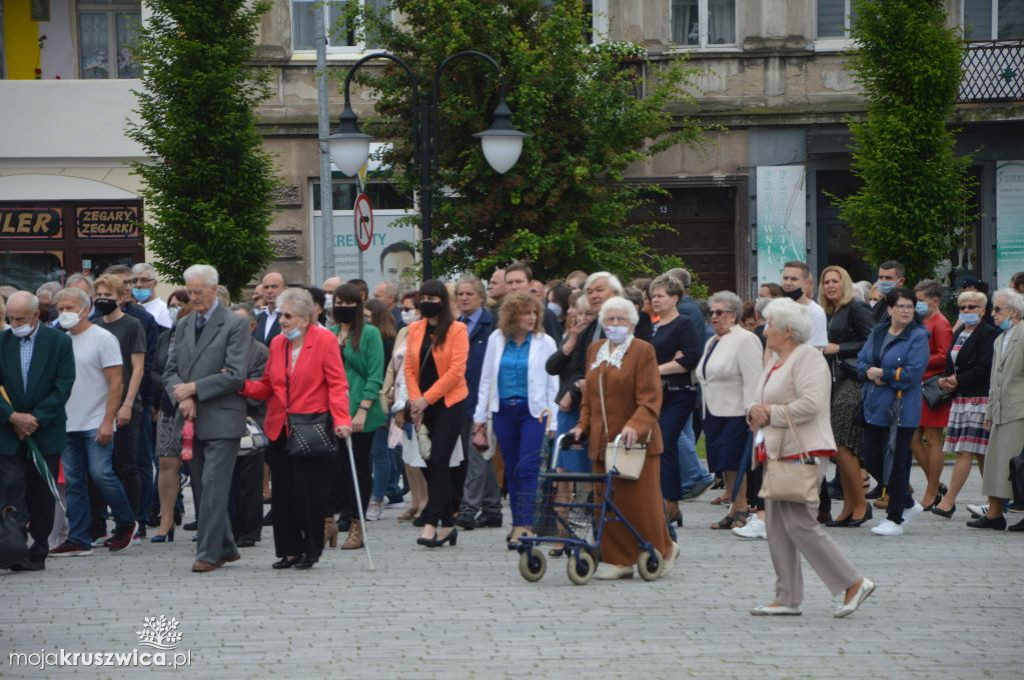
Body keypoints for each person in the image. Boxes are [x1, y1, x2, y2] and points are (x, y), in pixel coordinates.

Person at [746, 298, 875, 618]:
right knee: (776, 525)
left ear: (788, 331)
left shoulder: (808, 358)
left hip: (803, 450)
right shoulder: (777, 359)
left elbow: (812, 404)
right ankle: (787, 596)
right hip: (777, 450)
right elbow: (763, 399)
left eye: (769, 325)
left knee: (800, 523)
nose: (764, 330)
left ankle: (853, 582)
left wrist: (769, 412)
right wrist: (754, 410)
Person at [241, 288, 353, 568]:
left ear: (305, 318)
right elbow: (268, 384)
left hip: (313, 427)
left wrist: (342, 420)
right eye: (280, 315)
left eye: (288, 316)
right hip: (280, 428)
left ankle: (311, 550)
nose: (282, 320)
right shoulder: (278, 343)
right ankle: (289, 550)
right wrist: (240, 386)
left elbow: (337, 384)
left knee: (310, 495)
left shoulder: (325, 340)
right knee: (284, 495)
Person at [569, 296, 676, 580]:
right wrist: (581, 425)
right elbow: (589, 397)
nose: (615, 325)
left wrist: (636, 425)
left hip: (635, 443)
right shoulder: (594, 350)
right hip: (602, 442)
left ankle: (662, 549)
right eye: (610, 319)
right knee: (607, 501)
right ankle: (619, 559)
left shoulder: (642, 351)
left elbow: (651, 397)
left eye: (621, 320)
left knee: (640, 504)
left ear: (632, 323)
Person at [164, 264, 250, 573]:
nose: (194, 297)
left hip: (222, 417)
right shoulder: (184, 324)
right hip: (189, 416)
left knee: (214, 485)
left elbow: (236, 374)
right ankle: (225, 545)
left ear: (215, 290)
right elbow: (170, 368)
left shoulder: (233, 325)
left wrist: (196, 389)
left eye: (199, 291)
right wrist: (182, 394)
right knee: (201, 486)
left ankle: (208, 553)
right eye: (190, 291)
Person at [49, 287, 137, 556]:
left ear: (85, 310)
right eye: (60, 308)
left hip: (96, 419)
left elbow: (116, 382)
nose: (64, 313)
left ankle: (125, 522)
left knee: (102, 474)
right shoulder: (60, 340)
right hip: (67, 422)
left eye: (69, 308)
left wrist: (107, 420)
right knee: (74, 482)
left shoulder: (102, 338)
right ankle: (79, 538)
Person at [473, 292, 558, 545]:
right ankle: (517, 522)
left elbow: (553, 384)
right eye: (526, 313)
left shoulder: (545, 342)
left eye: (535, 313)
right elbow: (486, 379)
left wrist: (553, 422)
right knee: (511, 468)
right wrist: (480, 416)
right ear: (512, 315)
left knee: (529, 467)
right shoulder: (497, 339)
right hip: (503, 411)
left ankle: (527, 525)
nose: (531, 318)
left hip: (534, 412)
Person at [0, 292, 74, 571]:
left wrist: (34, 419)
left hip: (45, 431)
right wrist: (13, 418)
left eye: (20, 318)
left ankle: (39, 547)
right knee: (11, 486)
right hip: (8, 431)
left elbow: (63, 386)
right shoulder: (2, 342)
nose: (14, 322)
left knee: (41, 490)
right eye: (11, 317)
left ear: (35, 316)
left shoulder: (59, 343)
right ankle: (12, 547)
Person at [401, 279, 469, 548]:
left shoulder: (457, 330)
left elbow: (456, 371)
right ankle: (449, 525)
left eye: (432, 298)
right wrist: (416, 401)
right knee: (430, 463)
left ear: (442, 300)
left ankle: (432, 522)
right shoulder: (414, 329)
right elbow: (408, 367)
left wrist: (427, 400)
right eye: (423, 298)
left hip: (450, 403)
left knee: (440, 460)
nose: (427, 302)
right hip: (422, 404)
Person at [857, 287, 929, 537]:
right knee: (872, 459)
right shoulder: (878, 332)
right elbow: (862, 361)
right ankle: (907, 502)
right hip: (874, 406)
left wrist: (883, 375)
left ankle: (895, 517)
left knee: (896, 462)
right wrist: (869, 372)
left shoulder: (918, 336)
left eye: (910, 306)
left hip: (901, 410)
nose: (906, 310)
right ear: (889, 309)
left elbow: (912, 374)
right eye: (901, 306)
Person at [696, 291, 763, 529]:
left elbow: (753, 377)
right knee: (724, 463)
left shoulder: (745, 339)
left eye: (719, 313)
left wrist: (752, 410)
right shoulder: (712, 341)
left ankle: (742, 508)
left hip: (737, 411)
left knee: (736, 461)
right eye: (711, 313)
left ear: (733, 315)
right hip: (714, 411)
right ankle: (734, 506)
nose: (714, 317)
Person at [931, 290, 999, 518]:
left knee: (965, 450)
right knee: (980, 454)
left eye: (972, 307)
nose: (967, 311)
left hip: (979, 399)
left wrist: (958, 379)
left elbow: (984, 366)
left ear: (983, 310)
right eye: (963, 308)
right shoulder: (960, 332)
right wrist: (946, 378)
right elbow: (952, 360)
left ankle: (948, 501)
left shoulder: (989, 333)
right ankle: (995, 503)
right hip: (961, 398)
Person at [331, 284, 387, 548]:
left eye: (348, 303)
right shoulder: (328, 333)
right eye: (338, 303)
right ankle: (334, 518)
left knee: (359, 466)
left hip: (360, 409)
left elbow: (375, 374)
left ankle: (357, 522)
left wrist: (363, 408)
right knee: (336, 467)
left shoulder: (370, 334)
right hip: (333, 409)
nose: (342, 307)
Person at [819, 265, 874, 527]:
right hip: (834, 381)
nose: (830, 285)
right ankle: (850, 506)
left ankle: (861, 504)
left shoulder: (855, 306)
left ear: (845, 283)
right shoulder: (829, 311)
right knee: (840, 449)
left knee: (844, 446)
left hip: (853, 381)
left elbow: (872, 340)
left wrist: (838, 347)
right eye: (826, 281)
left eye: (835, 281)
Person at [648, 274, 703, 528]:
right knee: (658, 445)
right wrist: (669, 363)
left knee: (666, 441)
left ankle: (670, 502)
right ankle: (664, 500)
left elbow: (690, 358)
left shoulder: (684, 324)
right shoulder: (654, 326)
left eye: (660, 296)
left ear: (674, 298)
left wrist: (658, 368)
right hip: (658, 394)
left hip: (679, 393)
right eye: (653, 296)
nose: (655, 300)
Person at [92, 274, 147, 531]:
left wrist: (127, 403)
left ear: (121, 298)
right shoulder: (92, 325)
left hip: (126, 404)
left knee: (126, 463)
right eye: (99, 296)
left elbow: (137, 368)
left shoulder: (132, 325)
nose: (103, 300)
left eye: (108, 296)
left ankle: (133, 521)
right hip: (97, 405)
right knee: (99, 468)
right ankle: (99, 523)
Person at [970, 288, 1024, 531]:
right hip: (1002, 409)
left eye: (998, 309)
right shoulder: (1000, 339)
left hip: (1019, 409)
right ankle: (994, 514)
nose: (993, 314)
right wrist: (990, 411)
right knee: (996, 464)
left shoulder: (1023, 334)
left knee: (1017, 465)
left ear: (1014, 312)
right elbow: (994, 378)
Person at [453, 276, 501, 531]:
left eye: (469, 294)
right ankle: (493, 508)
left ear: (481, 297)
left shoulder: (491, 325)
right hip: (460, 398)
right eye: (460, 294)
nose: (463, 298)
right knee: (481, 454)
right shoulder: (457, 325)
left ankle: (469, 508)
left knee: (476, 453)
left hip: (484, 400)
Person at [150, 295, 192, 542]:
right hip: (168, 404)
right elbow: (157, 369)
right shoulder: (165, 337)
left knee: (199, 466)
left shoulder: (202, 340)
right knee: (166, 462)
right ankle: (166, 520)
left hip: (198, 405)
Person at [383, 297, 428, 522]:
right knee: (407, 453)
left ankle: (426, 500)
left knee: (420, 452)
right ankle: (416, 499)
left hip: (416, 397)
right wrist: (388, 391)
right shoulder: (404, 331)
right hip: (400, 393)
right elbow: (394, 363)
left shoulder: (426, 332)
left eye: (409, 309)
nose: (405, 312)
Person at [229, 304, 269, 548]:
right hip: (225, 420)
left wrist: (231, 384)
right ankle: (231, 527)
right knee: (230, 480)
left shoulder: (260, 352)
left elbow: (258, 389)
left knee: (249, 480)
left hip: (252, 421)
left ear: (252, 326)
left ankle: (250, 531)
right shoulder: (224, 348)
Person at [911, 279, 953, 510]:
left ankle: (932, 489)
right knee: (913, 438)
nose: (916, 305)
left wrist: (918, 360)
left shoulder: (940, 323)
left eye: (920, 301)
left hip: (931, 387)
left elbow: (944, 356)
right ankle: (934, 485)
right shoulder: (925, 321)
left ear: (934, 301)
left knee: (933, 439)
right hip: (920, 385)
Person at [504, 262, 563, 344]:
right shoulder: (499, 315)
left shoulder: (545, 315)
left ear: (530, 284)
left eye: (518, 282)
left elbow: (557, 351)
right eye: (510, 283)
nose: (514, 287)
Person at [780, 261, 827, 350]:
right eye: (785, 278)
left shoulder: (816, 312)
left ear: (806, 283)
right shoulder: (776, 308)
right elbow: (769, 348)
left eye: (794, 279)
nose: (788, 283)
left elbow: (813, 352)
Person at [130, 263, 173, 328]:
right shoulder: (131, 309)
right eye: (134, 280)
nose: (138, 285)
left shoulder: (164, 311)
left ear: (155, 283)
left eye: (144, 280)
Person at [254, 271, 285, 346]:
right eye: (266, 287)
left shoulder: (292, 318)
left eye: (274, 286)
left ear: (284, 289)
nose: (269, 291)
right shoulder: (256, 319)